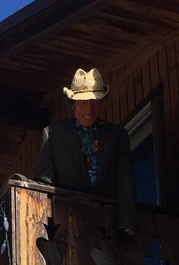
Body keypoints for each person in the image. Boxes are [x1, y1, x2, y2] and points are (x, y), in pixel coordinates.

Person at [34, 67, 137, 234]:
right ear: (73, 104)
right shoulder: (54, 134)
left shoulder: (117, 136)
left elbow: (125, 183)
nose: (89, 110)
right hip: (66, 225)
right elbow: (44, 183)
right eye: (83, 103)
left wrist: (127, 224)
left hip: (107, 229)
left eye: (95, 103)